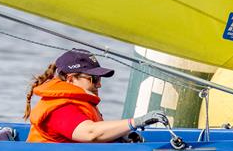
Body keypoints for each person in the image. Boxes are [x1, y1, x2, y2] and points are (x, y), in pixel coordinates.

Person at [25, 48, 165, 143]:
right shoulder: (60, 108)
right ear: (71, 79)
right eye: (94, 79)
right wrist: (135, 122)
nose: (99, 85)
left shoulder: (75, 102)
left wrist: (118, 136)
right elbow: (90, 133)